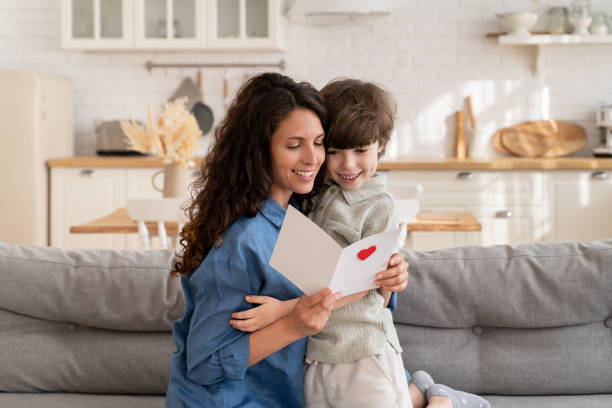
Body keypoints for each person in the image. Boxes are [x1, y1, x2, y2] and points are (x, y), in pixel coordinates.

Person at [230, 78, 491, 408]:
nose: (348, 165)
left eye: (361, 151)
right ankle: (421, 392)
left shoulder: (379, 207)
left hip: (363, 347)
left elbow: (363, 283)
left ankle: (444, 400)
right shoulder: (313, 195)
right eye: (335, 152)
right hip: (318, 348)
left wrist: (283, 311)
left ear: (381, 145)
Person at [164, 72, 409, 408]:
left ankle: (431, 394)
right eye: (294, 145)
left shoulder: (302, 211)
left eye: (319, 142)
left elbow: (339, 287)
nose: (314, 158)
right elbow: (205, 365)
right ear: (258, 151)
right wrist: (294, 323)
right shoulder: (241, 241)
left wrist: (387, 279)